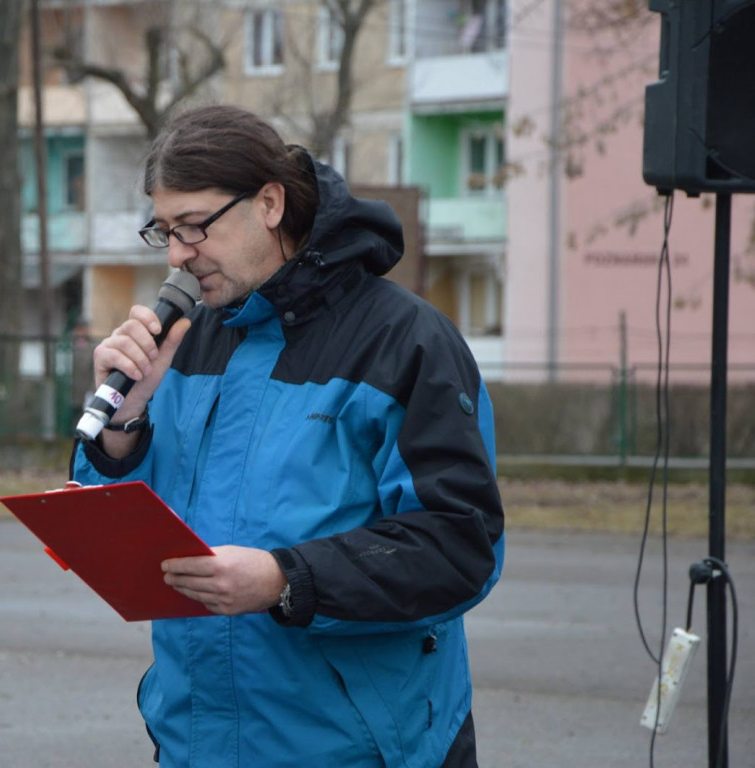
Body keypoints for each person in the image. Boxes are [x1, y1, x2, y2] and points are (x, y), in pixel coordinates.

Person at [71, 104, 504, 768]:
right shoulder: (181, 344)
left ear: (270, 203)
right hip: (197, 745)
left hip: (360, 751)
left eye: (195, 226)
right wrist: (121, 427)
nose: (181, 255)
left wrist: (285, 580)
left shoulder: (403, 341)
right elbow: (123, 534)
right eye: (165, 231)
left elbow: (458, 543)